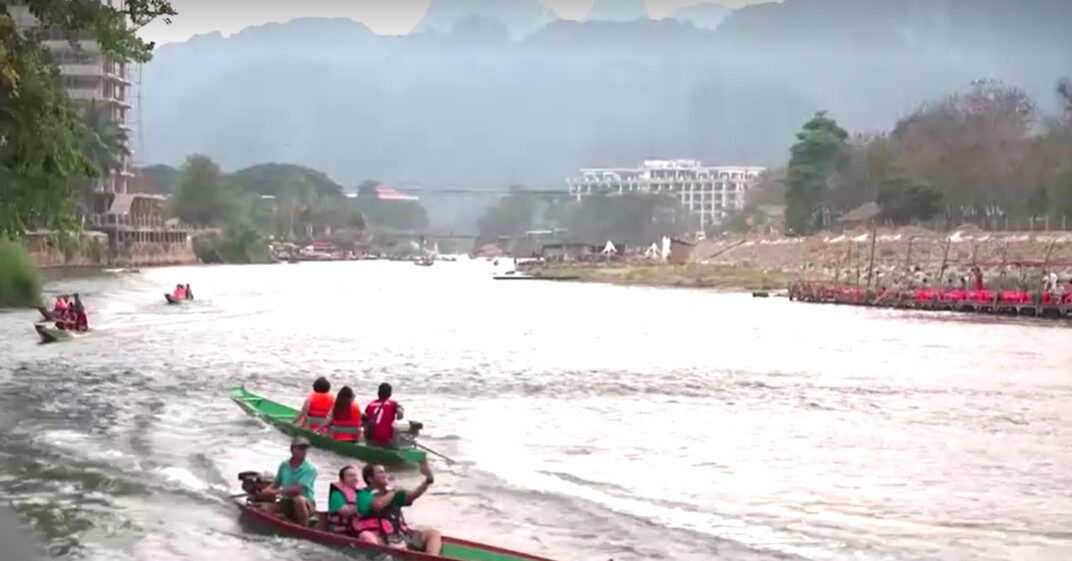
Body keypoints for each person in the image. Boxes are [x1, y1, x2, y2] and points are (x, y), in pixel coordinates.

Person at [355, 460, 440, 555]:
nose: (385, 475)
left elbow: (413, 495)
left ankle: (431, 558)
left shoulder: (392, 492)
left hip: (399, 535)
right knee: (366, 536)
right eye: (380, 472)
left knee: (433, 534)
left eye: (384, 472)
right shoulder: (363, 495)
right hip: (378, 536)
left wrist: (428, 480)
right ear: (370, 479)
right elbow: (378, 506)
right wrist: (393, 492)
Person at [255, 436, 317, 527]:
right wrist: (267, 490)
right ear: (292, 449)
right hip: (286, 502)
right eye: (300, 448)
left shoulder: (310, 469)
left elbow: (298, 489)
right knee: (264, 508)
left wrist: (277, 491)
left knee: (299, 500)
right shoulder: (284, 465)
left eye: (305, 449)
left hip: (306, 503)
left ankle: (304, 528)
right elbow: (276, 483)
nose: (303, 451)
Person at [326, 465, 370, 538]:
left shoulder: (360, 493)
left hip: (357, 530)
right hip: (340, 532)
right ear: (342, 480)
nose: (354, 478)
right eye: (350, 476)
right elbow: (346, 512)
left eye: (355, 476)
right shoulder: (337, 494)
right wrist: (365, 504)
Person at [365, 383, 404, 448]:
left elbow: (366, 418)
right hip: (387, 441)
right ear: (390, 394)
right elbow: (400, 416)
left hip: (372, 440)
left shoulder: (370, 404)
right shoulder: (393, 404)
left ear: (378, 393)